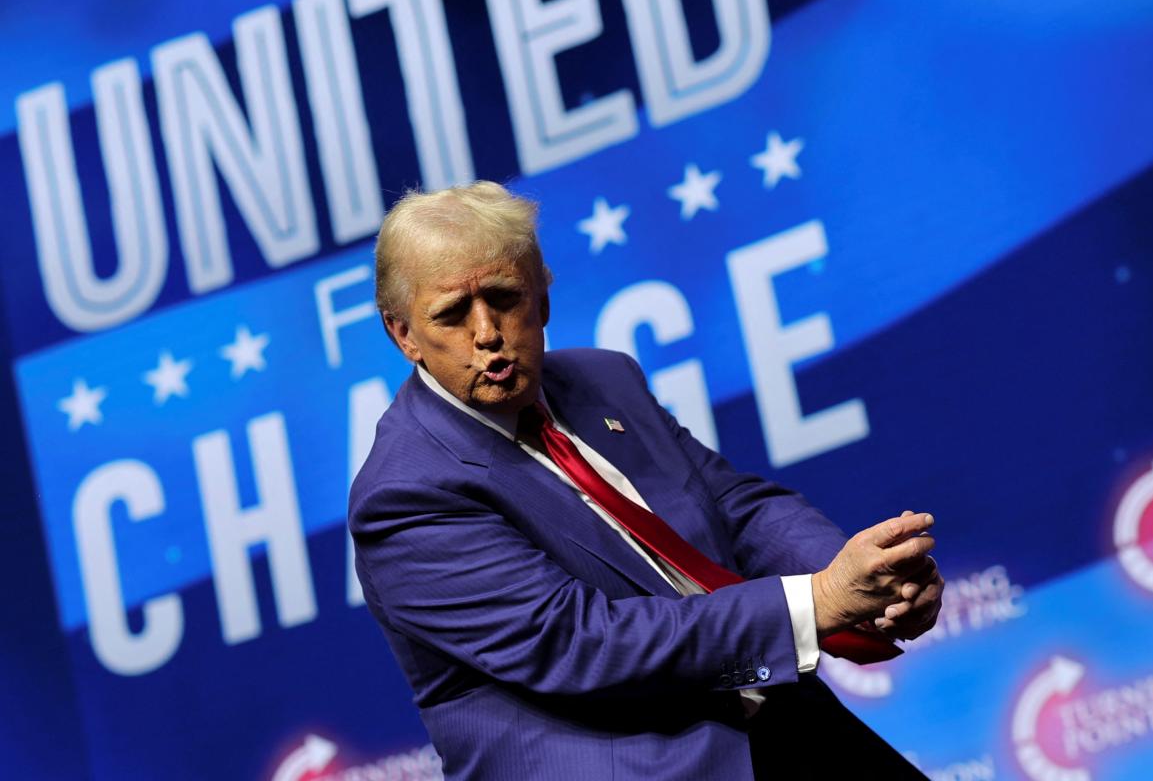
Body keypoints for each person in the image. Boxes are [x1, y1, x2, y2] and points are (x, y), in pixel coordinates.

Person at [349, 181, 943, 780]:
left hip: (773, 713)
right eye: (452, 314)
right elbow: (584, 643)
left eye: (504, 297)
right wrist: (818, 602)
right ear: (403, 335)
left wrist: (865, 581)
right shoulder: (405, 496)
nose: (486, 333)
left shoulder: (605, 380)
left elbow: (731, 506)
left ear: (542, 298)